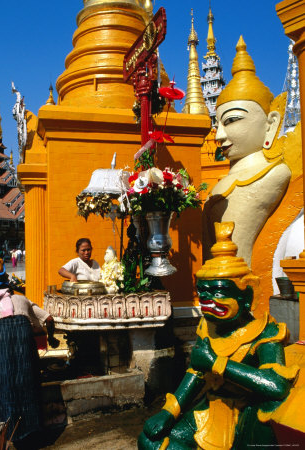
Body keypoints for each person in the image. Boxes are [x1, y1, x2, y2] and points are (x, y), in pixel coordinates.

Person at [138, 222, 299, 449]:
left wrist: (217, 363)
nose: (206, 300)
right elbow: (196, 371)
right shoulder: (208, 325)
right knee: (149, 441)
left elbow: (276, 386)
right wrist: (168, 411)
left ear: (247, 294)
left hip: (244, 414)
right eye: (202, 292)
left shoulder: (265, 332)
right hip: (209, 409)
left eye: (218, 291)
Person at [203, 37, 291, 267]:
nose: (218, 136)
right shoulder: (221, 186)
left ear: (270, 124)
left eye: (232, 120)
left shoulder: (272, 174)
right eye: (218, 124)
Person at [0, 263, 59, 444]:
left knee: (7, 382)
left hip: (4, 338)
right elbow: (49, 319)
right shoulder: (22, 299)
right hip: (24, 336)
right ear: (10, 287)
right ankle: (33, 428)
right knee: (28, 379)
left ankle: (11, 431)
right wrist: (51, 339)